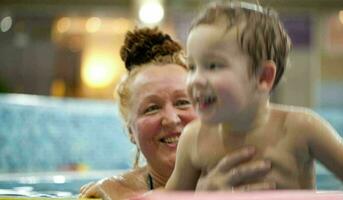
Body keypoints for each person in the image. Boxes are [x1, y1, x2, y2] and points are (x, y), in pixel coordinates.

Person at [165, 1, 343, 191]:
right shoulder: (193, 139)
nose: (195, 79)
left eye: (213, 66)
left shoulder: (301, 129)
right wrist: (201, 194)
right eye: (191, 67)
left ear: (264, 77)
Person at [79, 27, 275, 199]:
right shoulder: (110, 193)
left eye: (183, 103)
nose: (171, 119)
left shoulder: (250, 177)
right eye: (152, 108)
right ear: (131, 130)